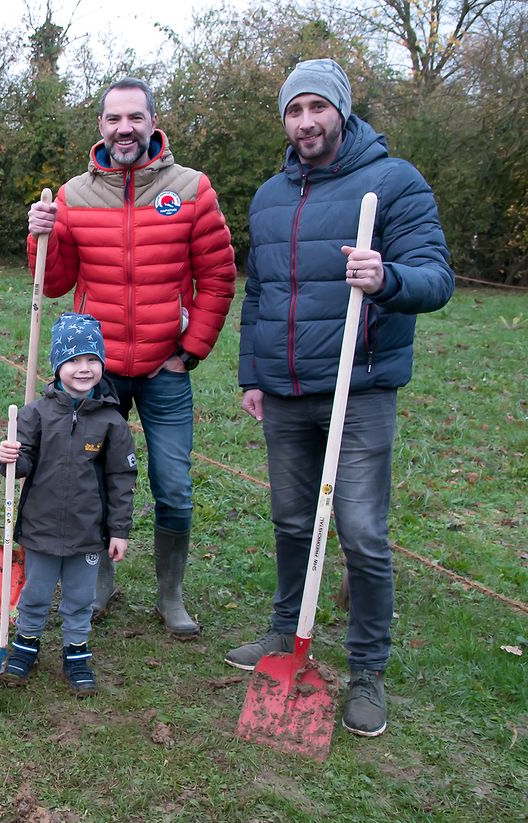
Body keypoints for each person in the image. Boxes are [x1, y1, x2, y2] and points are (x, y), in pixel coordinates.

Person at [227, 58, 454, 738]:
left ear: (342, 112)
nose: (305, 122)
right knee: (292, 522)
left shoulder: (393, 182)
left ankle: (367, 673)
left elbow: (436, 278)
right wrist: (252, 374)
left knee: (362, 533)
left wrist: (386, 275)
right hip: (288, 389)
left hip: (361, 387)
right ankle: (281, 632)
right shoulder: (270, 195)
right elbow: (261, 293)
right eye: (294, 111)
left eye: (316, 108)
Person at [26, 77, 236, 638]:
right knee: (89, 479)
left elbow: (218, 275)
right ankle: (99, 584)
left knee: (174, 486)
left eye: (135, 118)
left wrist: (190, 351)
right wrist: (39, 236)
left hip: (165, 370)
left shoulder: (191, 189)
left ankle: (171, 596)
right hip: (99, 374)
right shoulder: (73, 195)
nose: (125, 129)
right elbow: (55, 283)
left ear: (152, 122)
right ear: (101, 126)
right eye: (114, 119)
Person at [0, 313, 137, 697]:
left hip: (87, 532)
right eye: (73, 360)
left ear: (102, 364)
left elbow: (121, 479)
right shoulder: (36, 414)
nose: (83, 368)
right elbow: (22, 464)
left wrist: (119, 531)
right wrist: (9, 456)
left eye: (92, 359)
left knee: (80, 598)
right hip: (41, 528)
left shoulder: (112, 422)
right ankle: (26, 646)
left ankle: (77, 653)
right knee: (36, 592)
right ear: (58, 366)